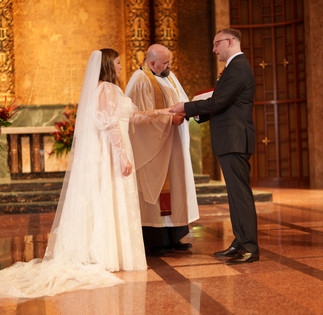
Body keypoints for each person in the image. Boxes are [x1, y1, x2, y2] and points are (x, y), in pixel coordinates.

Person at [0, 49, 172, 298]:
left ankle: (114, 252)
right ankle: (108, 253)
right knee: (109, 200)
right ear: (107, 66)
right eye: (118, 63)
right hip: (113, 154)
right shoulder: (107, 89)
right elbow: (110, 123)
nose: (122, 67)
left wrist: (165, 113)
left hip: (116, 150)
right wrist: (122, 156)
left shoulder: (108, 89)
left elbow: (132, 117)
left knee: (110, 201)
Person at [171, 28, 259, 265]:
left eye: (217, 44)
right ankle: (240, 241)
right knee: (234, 193)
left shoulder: (238, 66)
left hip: (235, 138)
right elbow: (223, 104)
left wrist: (186, 108)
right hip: (231, 138)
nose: (214, 49)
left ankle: (249, 246)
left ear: (230, 41)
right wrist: (194, 114)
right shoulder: (234, 67)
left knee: (240, 194)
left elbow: (219, 101)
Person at [125, 44, 199, 256]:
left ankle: (174, 236)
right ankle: (156, 240)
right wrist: (169, 120)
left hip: (173, 144)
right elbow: (140, 118)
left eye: (170, 62)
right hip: (154, 149)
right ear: (151, 63)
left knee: (176, 186)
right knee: (155, 192)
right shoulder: (140, 81)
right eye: (165, 63)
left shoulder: (168, 75)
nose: (170, 66)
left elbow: (182, 100)